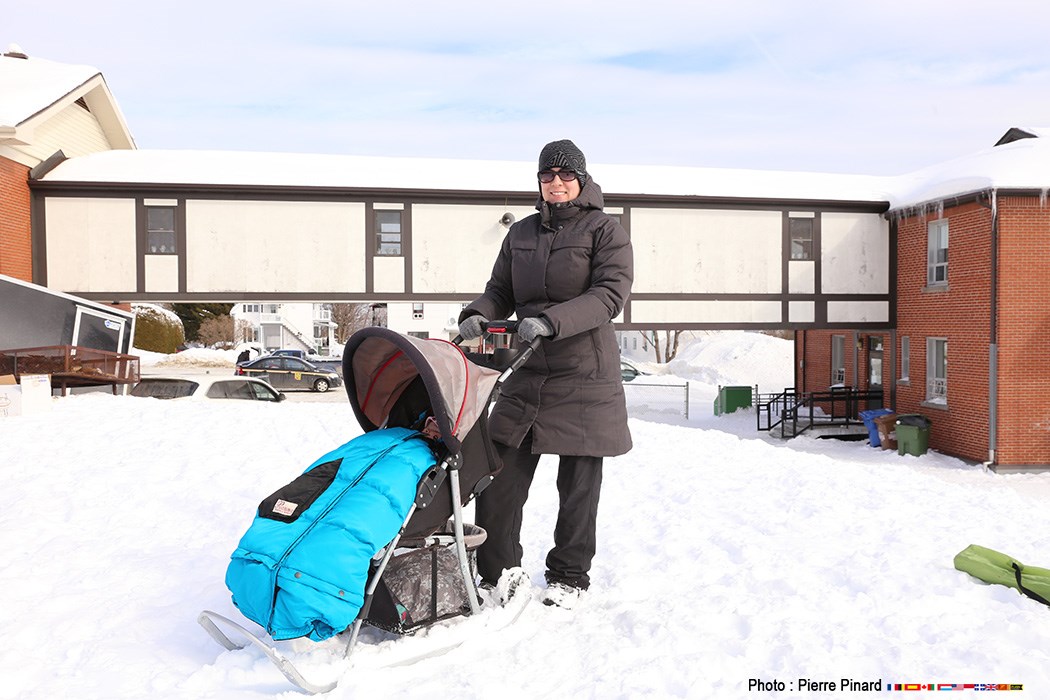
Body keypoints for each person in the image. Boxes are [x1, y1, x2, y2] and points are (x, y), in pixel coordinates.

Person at [458, 139, 633, 609]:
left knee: (577, 488)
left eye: (565, 175)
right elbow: (500, 290)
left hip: (584, 374)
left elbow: (609, 295)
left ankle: (570, 577)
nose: (556, 183)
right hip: (527, 370)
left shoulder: (605, 230)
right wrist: (478, 313)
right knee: (497, 473)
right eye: (547, 176)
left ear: (582, 179)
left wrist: (553, 321)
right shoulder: (521, 233)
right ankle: (497, 572)